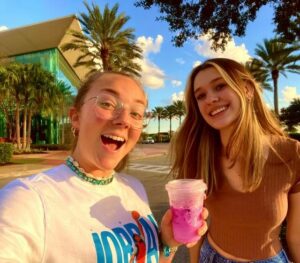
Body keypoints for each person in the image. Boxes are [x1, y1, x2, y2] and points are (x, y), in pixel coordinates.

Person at [0, 71, 208, 262]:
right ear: (75, 117)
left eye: (136, 113)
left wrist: (167, 244)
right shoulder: (28, 199)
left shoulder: (134, 188)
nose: (125, 120)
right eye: (108, 103)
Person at [169, 58, 300, 263]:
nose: (210, 99)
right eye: (201, 96)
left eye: (220, 86)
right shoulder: (198, 155)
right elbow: (194, 227)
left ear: (247, 89)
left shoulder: (292, 154)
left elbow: (296, 236)